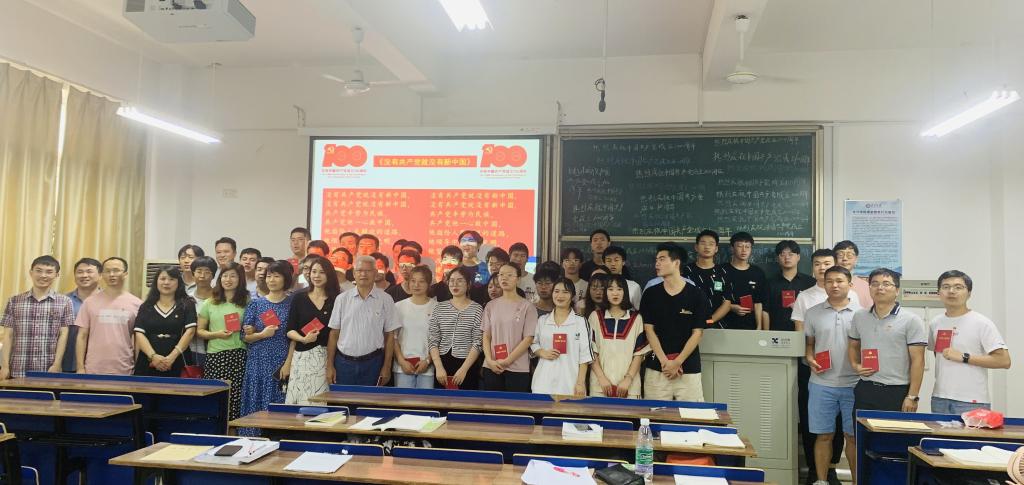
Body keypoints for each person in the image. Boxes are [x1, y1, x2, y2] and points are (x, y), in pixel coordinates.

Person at [791, 248, 850, 485]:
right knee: (814, 423)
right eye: (817, 264)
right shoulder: (805, 298)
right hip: (814, 369)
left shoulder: (854, 299)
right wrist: (809, 358)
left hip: (848, 374)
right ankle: (816, 471)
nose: (822, 268)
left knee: (843, 426)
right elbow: (803, 337)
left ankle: (831, 467)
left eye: (827, 263)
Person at [803, 266, 860, 485]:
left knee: (853, 437)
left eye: (839, 281)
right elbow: (810, 344)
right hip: (821, 383)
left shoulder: (862, 314)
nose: (834, 285)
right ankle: (821, 480)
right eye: (829, 281)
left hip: (854, 384)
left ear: (850, 284)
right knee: (823, 435)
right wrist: (809, 358)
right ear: (823, 284)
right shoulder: (812, 313)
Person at [928, 270, 1011, 414]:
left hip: (972, 400)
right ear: (939, 293)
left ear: (969, 293)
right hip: (940, 398)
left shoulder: (981, 323)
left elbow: (1004, 361)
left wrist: (964, 357)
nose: (951, 291)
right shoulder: (935, 323)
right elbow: (939, 356)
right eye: (946, 287)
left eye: (958, 287)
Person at [848, 268, 927, 412]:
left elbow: (918, 360)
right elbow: (853, 345)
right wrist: (855, 365)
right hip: (865, 387)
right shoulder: (860, 316)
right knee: (861, 427)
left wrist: (912, 396)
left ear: (897, 290)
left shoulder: (911, 320)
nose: (880, 288)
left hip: (897, 390)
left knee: (893, 428)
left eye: (886, 284)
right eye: (875, 284)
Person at [642, 243, 708, 401]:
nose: (657, 264)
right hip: (657, 367)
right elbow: (649, 330)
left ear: (676, 263)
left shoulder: (696, 294)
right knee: (654, 413)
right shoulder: (651, 294)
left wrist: (677, 362)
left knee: (691, 414)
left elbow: (697, 333)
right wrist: (665, 362)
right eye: (656, 260)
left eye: (662, 259)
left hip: (688, 368)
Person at [327, 255, 401, 386]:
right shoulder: (342, 299)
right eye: (359, 270)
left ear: (375, 273)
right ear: (354, 273)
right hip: (344, 363)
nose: (363, 274)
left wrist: (387, 366)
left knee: (370, 399)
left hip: (374, 363)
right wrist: (329, 365)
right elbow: (334, 334)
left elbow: (389, 336)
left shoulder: (386, 299)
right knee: (342, 399)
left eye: (368, 271)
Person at [239, 260, 294, 435]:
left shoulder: (293, 304)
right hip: (257, 361)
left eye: (276, 276)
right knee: (255, 398)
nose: (272, 280)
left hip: (281, 361)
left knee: (278, 401)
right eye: (269, 276)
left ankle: (276, 439)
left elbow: (294, 336)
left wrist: (288, 363)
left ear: (285, 279)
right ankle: (251, 438)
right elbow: (245, 336)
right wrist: (262, 334)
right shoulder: (256, 304)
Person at [0, 255, 73, 379]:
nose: (43, 275)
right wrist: (5, 366)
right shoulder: (14, 301)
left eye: (49, 272)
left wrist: (57, 364)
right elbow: (8, 336)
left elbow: (63, 335)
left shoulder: (65, 302)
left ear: (57, 275)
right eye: (39, 271)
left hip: (48, 368)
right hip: (18, 368)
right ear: (31, 272)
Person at [197, 262, 249, 420]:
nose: (228, 279)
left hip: (239, 355)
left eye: (233, 276)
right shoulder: (210, 302)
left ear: (240, 279)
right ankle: (214, 430)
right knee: (216, 398)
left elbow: (253, 326)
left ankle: (233, 430)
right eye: (225, 276)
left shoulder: (247, 301)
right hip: (216, 356)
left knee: (236, 398)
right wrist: (217, 334)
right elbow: (199, 331)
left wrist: (249, 329)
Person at [284, 256, 338, 404]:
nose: (316, 276)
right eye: (314, 272)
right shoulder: (299, 298)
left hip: (325, 357)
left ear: (329, 275)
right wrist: (303, 339)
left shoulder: (336, 300)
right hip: (301, 358)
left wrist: (330, 364)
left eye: (322, 272)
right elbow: (290, 330)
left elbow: (336, 332)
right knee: (299, 401)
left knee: (320, 403)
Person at [75, 257, 143, 375]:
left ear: (125, 274)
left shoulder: (137, 304)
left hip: (125, 368)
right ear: (102, 274)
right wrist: (80, 367)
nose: (111, 274)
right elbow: (82, 336)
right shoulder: (89, 302)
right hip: (92, 368)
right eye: (107, 271)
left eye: (116, 270)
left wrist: (138, 367)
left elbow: (138, 339)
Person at [588, 274, 649, 398]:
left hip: (629, 387)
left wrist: (628, 379)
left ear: (625, 292)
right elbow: (591, 351)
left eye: (619, 289)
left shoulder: (636, 318)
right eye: (610, 289)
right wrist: (601, 378)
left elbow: (639, 353)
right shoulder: (595, 316)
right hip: (600, 386)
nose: (615, 293)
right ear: (605, 292)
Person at [481, 263, 538, 392]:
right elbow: (486, 336)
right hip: (492, 366)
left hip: (518, 368)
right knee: (492, 403)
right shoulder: (490, 306)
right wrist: (489, 360)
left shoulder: (528, 307)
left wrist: (507, 361)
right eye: (501, 275)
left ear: (518, 279)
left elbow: (528, 339)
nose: (504, 278)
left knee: (515, 403)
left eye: (509, 275)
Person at [531, 279, 592, 396]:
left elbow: (585, 355)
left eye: (565, 292)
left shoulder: (580, 322)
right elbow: (533, 343)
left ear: (572, 296)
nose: (560, 295)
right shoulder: (542, 320)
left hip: (570, 383)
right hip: (543, 382)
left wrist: (580, 383)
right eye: (556, 291)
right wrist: (542, 352)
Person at [133, 266, 196, 377]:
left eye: (172, 279)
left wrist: (171, 357)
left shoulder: (187, 305)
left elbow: (190, 332)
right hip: (148, 362)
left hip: (179, 360)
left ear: (178, 282)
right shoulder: (146, 306)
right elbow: (139, 333)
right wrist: (153, 357)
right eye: (162, 279)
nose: (166, 282)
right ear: (156, 281)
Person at [428, 266, 484, 390]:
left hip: (467, 364)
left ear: (468, 284)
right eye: (452, 281)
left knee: (466, 400)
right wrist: (439, 367)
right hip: (442, 363)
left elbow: (478, 342)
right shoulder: (439, 307)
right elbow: (433, 339)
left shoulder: (477, 309)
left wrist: (464, 369)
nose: (455, 284)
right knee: (441, 400)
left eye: (460, 280)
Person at [393, 265, 437, 389]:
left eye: (421, 281)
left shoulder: (437, 307)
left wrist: (428, 361)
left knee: (425, 400)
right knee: (403, 401)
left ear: (428, 284)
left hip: (427, 367)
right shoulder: (398, 307)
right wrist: (401, 361)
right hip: (403, 367)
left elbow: (439, 339)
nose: (416, 285)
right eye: (413, 281)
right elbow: (393, 338)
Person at [682, 230, 731, 328]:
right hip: (688, 324)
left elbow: (727, 303)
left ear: (716, 249)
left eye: (711, 244)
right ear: (696, 247)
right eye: (703, 243)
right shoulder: (686, 271)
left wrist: (709, 321)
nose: (707, 247)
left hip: (716, 325)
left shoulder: (723, 272)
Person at [720, 232, 768, 330]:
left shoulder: (757, 273)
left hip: (750, 327)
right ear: (732, 248)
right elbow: (715, 297)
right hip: (724, 326)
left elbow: (758, 303)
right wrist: (730, 307)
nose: (744, 250)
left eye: (747, 247)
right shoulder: (721, 270)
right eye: (740, 246)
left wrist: (759, 327)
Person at [765, 240, 816, 331]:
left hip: (804, 332)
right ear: (777, 258)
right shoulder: (769, 283)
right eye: (783, 254)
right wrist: (766, 334)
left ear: (798, 257)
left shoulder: (810, 282)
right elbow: (765, 311)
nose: (787, 258)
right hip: (777, 333)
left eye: (791, 254)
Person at [64, 257, 102, 372]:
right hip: (67, 363)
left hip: (99, 365)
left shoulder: (108, 302)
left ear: (100, 275)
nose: (84, 275)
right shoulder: (64, 301)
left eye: (89, 271)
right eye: (80, 272)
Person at [189, 256, 218, 366]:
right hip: (190, 349)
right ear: (193, 274)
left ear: (213, 275)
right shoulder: (187, 299)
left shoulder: (220, 298)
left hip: (215, 350)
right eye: (199, 271)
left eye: (207, 272)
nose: (202, 275)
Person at [833, 241, 872, 309]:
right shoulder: (828, 284)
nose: (845, 259)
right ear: (834, 259)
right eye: (840, 255)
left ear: (856, 259)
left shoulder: (866, 286)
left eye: (849, 255)